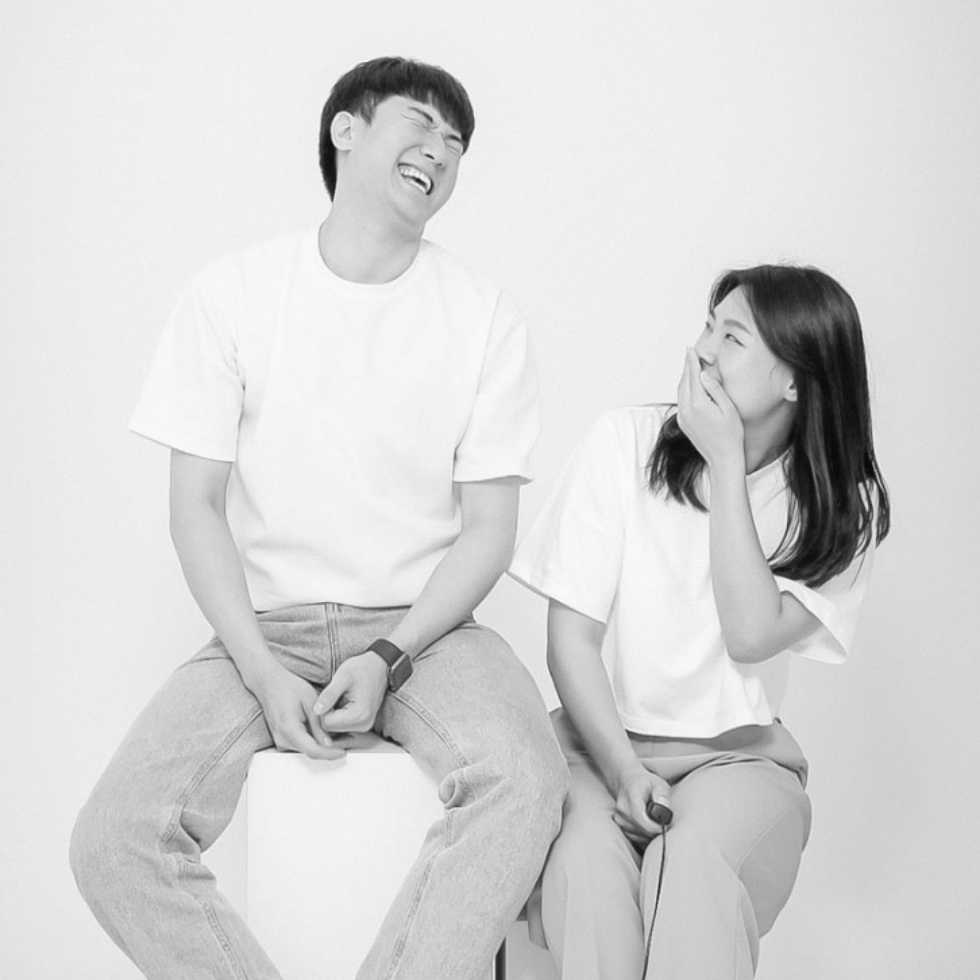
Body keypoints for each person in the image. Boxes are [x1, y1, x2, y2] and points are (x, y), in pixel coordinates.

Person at [70, 56, 567, 980]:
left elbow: (489, 531)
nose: (442, 150)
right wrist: (260, 672)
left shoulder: (483, 314)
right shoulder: (233, 293)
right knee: (114, 839)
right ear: (346, 128)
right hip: (266, 627)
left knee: (528, 780)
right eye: (421, 122)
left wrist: (390, 656)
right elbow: (195, 510)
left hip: (428, 630)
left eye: (457, 142)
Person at [510, 265, 891, 980]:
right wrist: (624, 770)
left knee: (689, 865)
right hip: (596, 747)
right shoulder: (624, 441)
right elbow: (571, 642)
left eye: (733, 337)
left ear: (795, 380)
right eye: (709, 327)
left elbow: (750, 633)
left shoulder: (844, 504)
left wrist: (725, 462)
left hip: (740, 760)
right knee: (585, 869)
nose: (704, 350)